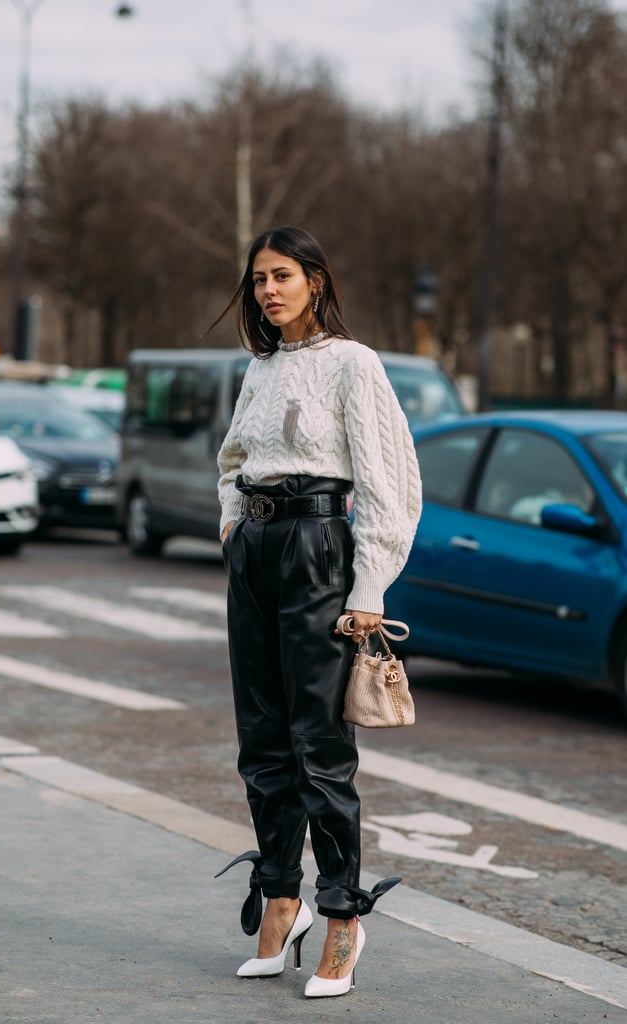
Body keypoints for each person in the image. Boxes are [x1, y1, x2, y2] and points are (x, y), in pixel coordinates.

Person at [213, 226, 422, 999]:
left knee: (317, 746)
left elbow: (390, 480)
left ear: (315, 281)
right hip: (258, 552)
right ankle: (279, 900)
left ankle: (340, 914)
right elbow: (234, 460)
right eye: (258, 279)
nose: (268, 290)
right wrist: (234, 528)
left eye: (282, 277)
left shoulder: (352, 364)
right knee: (260, 740)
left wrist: (369, 587)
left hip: (318, 549)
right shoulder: (259, 368)